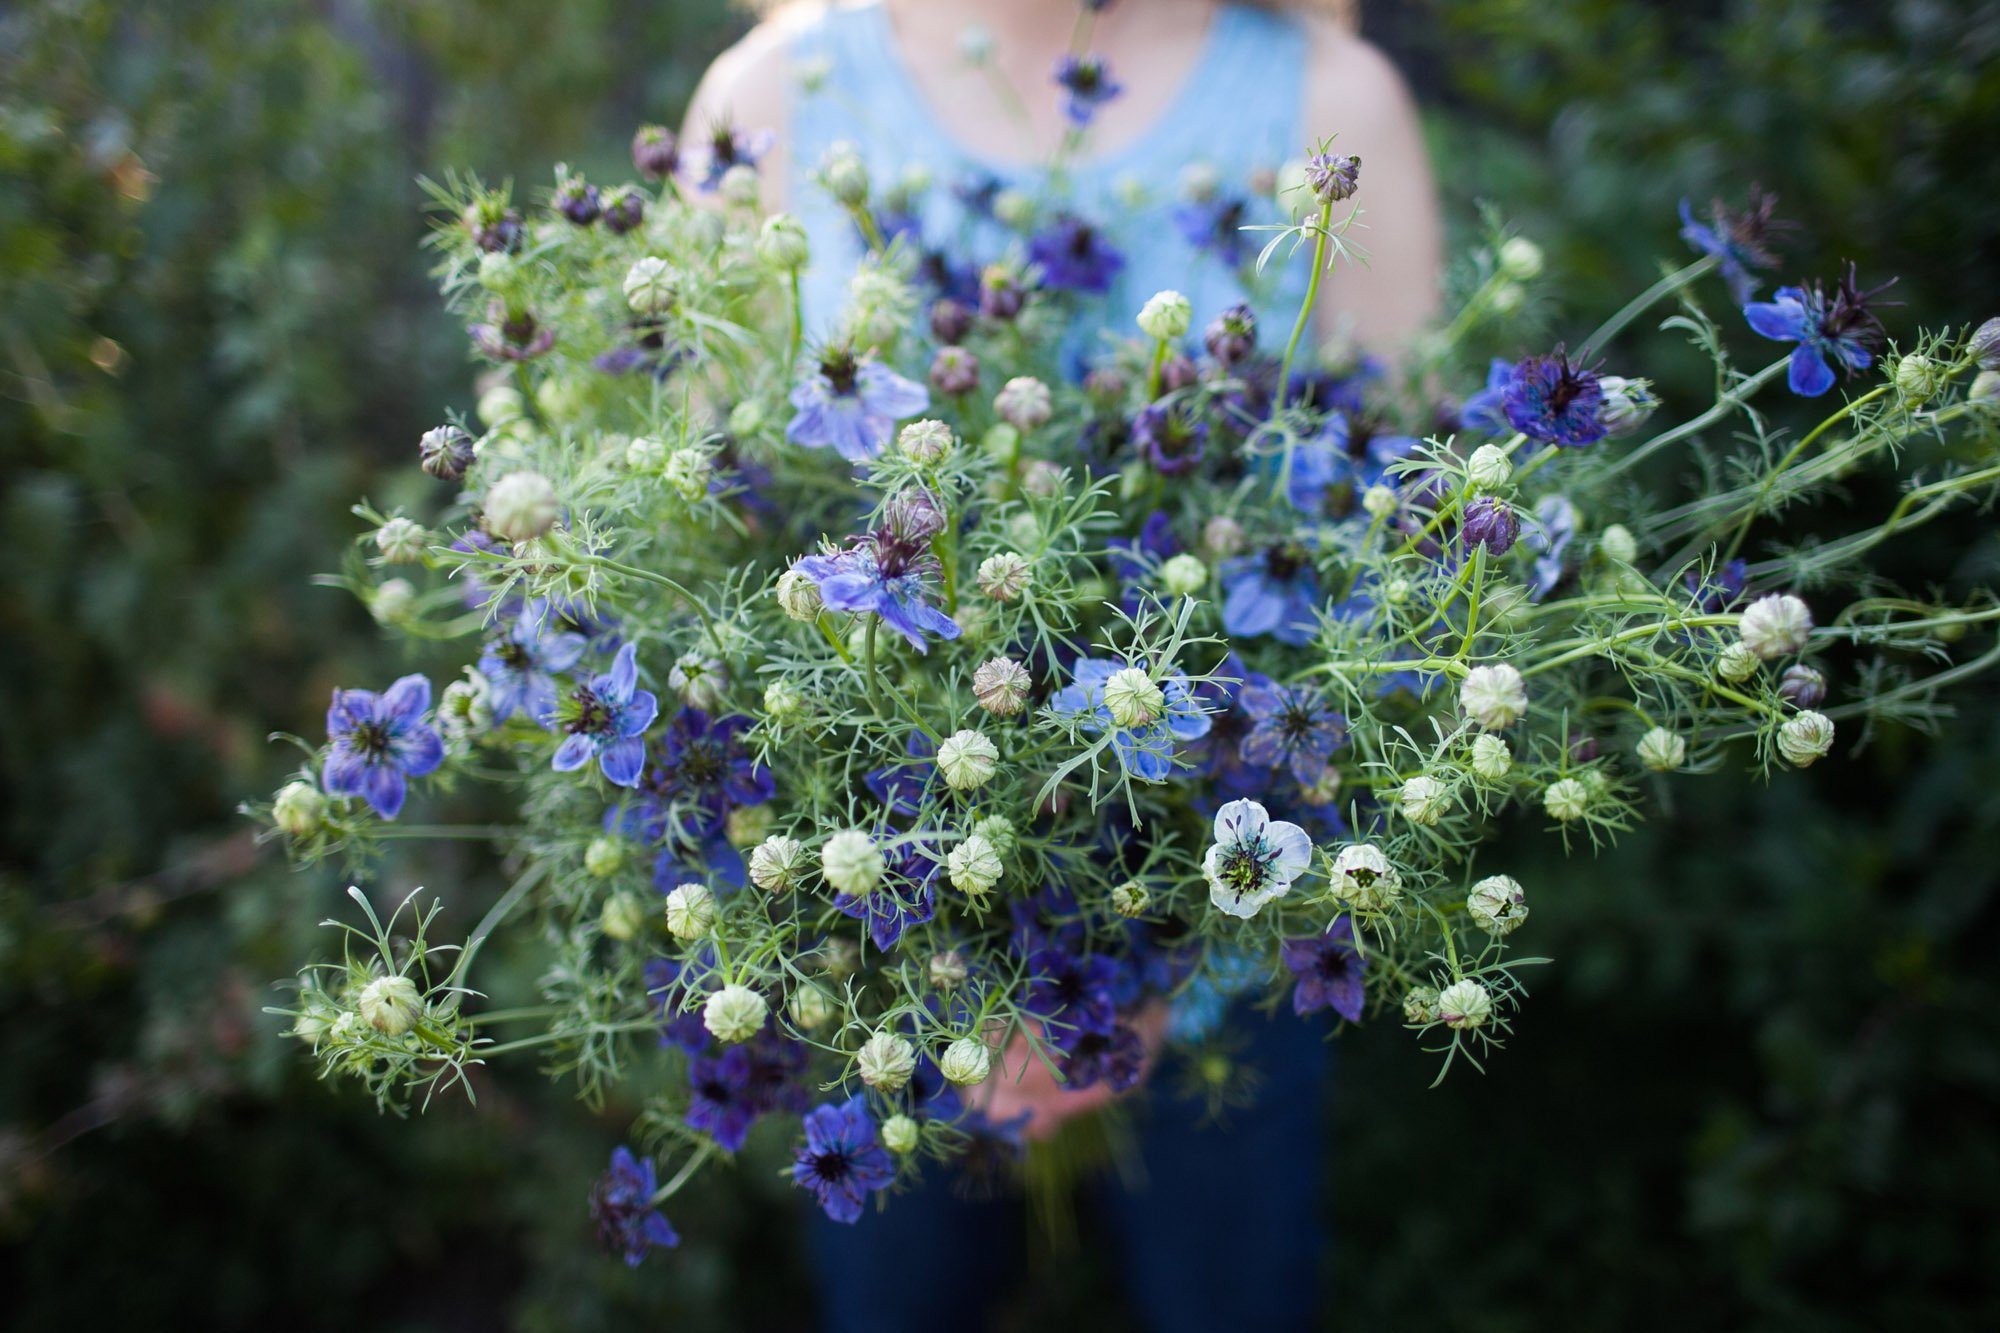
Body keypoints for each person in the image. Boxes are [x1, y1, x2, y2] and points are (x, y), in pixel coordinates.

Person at [682, 4, 1442, 1329]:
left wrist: (1162, 973)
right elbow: (707, 565)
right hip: (878, 954)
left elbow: (1409, 574)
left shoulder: (1332, 103)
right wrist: (931, 957)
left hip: (1236, 933)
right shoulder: (769, 97)